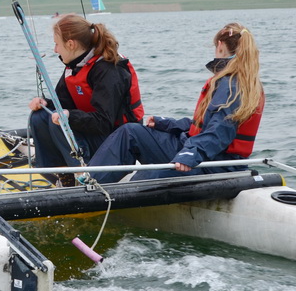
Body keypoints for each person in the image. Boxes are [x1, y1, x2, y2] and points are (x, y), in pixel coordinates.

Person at [88, 22, 264, 184]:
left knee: (146, 177)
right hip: (203, 153)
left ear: (219, 45)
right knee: (130, 132)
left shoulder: (231, 86)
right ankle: (89, 184)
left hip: (212, 164)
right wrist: (167, 124)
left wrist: (190, 154)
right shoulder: (236, 81)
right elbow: (206, 126)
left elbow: (219, 133)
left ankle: (91, 190)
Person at [28, 14, 143, 185]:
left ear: (71, 44)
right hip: (95, 134)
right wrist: (45, 103)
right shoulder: (75, 66)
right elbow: (63, 104)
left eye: (57, 44)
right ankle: (63, 174)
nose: (55, 50)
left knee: (60, 121)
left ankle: (84, 175)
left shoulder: (108, 70)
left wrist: (69, 116)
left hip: (118, 145)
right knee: (40, 116)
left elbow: (104, 122)